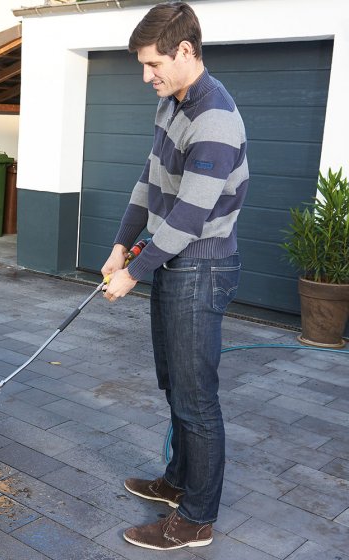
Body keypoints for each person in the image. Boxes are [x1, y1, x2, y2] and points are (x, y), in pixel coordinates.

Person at [101, 1, 249, 552]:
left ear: (186, 51)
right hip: (170, 259)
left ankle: (196, 519)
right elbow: (149, 179)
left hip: (202, 266)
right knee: (175, 384)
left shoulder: (215, 118)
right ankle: (179, 481)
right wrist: (121, 245)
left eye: (152, 64)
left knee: (196, 398)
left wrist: (134, 274)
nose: (147, 77)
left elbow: (189, 214)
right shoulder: (173, 103)